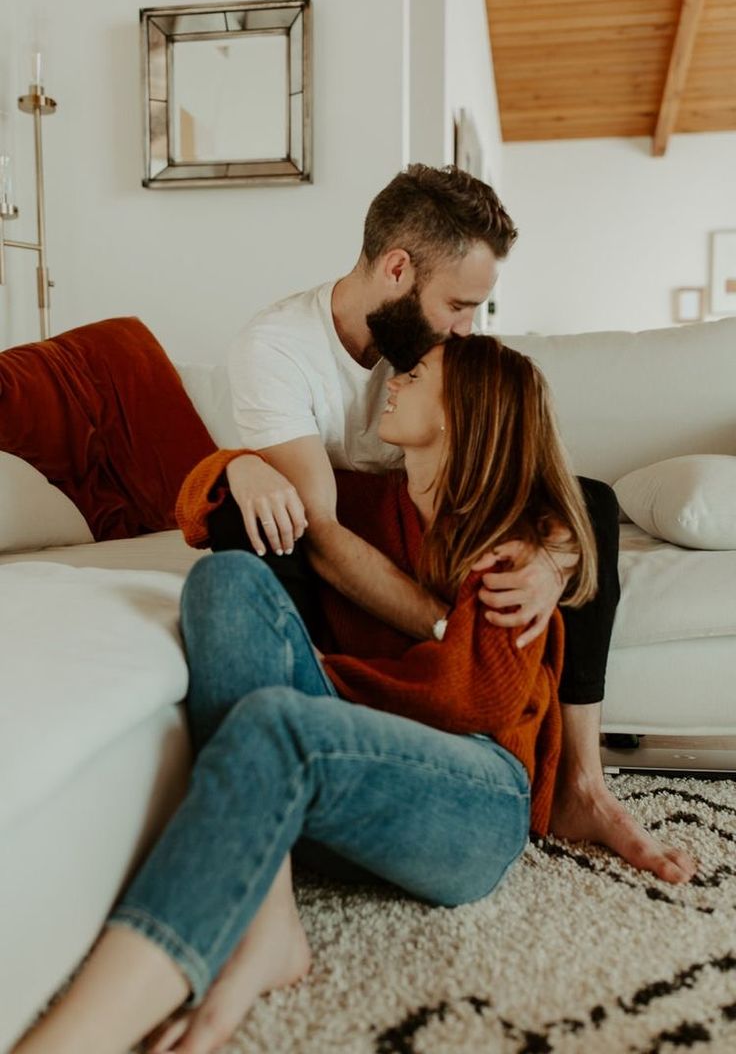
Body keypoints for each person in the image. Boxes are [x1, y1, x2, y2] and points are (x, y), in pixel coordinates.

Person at [14, 335, 606, 1054]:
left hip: (472, 803)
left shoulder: (516, 541)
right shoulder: (357, 499)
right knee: (225, 582)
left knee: (278, 725)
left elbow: (468, 700)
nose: (394, 380)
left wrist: (321, 682)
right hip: (345, 779)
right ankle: (270, 920)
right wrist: (244, 466)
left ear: (460, 412)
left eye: (416, 375)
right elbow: (199, 511)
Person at [192, 163, 695, 883]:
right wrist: (446, 627)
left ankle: (582, 785)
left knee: (590, 504)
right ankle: (307, 747)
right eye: (458, 304)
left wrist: (554, 561)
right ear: (397, 269)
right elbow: (322, 534)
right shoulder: (276, 351)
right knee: (258, 532)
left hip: (430, 529)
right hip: (341, 543)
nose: (466, 328)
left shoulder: (436, 354)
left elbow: (520, 466)